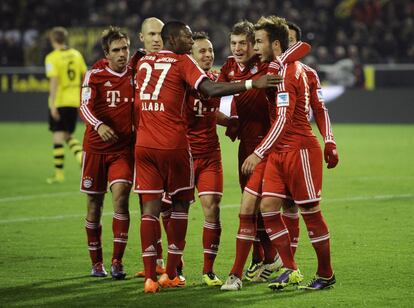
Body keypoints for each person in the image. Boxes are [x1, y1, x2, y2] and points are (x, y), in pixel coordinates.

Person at [133, 21, 281, 293]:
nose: (204, 54)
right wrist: (251, 84)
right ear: (179, 42)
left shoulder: (156, 66)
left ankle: (199, 270)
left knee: (204, 207)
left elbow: (210, 108)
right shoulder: (183, 69)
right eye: (196, 46)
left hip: (188, 151)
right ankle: (170, 269)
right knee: (174, 209)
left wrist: (231, 121)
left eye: (209, 50)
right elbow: (208, 93)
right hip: (180, 151)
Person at [242, 16, 339, 291]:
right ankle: (291, 268)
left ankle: (325, 274)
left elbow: (289, 117)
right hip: (278, 150)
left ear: (276, 44)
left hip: (299, 149)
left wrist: (258, 152)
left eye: (258, 41)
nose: (254, 46)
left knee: (309, 211)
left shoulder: (291, 72)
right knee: (269, 208)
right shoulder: (274, 68)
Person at [220, 28, 312, 291]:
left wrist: (278, 55)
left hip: (269, 148)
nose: (238, 48)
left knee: (259, 207)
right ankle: (267, 261)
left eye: (247, 43)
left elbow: (301, 47)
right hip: (248, 148)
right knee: (257, 209)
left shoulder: (269, 65)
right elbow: (219, 92)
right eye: (233, 43)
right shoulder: (229, 66)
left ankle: (254, 268)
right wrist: (232, 119)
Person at [79, 26, 135, 279]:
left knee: (121, 197)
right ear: (106, 53)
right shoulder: (94, 75)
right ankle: (96, 263)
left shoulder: (136, 73)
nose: (123, 54)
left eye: (125, 48)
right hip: (96, 149)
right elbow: (83, 106)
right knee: (94, 205)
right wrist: (98, 125)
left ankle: (117, 262)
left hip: (123, 149)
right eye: (117, 50)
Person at [280, 21, 338, 257]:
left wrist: (330, 141)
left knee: (301, 205)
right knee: (275, 204)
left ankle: (297, 265)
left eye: (291, 40)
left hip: (298, 145)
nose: (287, 45)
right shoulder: (271, 70)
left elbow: (321, 109)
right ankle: (281, 264)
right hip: (274, 147)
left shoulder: (308, 74)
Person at [44, 27, 87, 184]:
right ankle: (79, 156)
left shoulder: (51, 58)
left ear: (52, 40)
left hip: (61, 100)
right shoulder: (76, 54)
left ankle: (59, 174)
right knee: (67, 134)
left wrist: (53, 104)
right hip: (74, 100)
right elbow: (85, 75)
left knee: (57, 136)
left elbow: (54, 80)